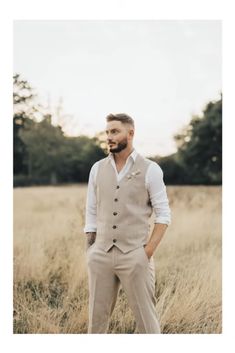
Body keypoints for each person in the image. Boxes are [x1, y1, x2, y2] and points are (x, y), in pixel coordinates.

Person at [84, 113, 171, 333]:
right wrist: (91, 250)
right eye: (107, 132)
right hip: (100, 254)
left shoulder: (151, 169)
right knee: (96, 322)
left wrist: (146, 253)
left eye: (115, 131)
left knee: (147, 324)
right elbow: (91, 211)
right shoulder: (96, 168)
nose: (109, 137)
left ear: (130, 133)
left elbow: (163, 215)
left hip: (135, 254)